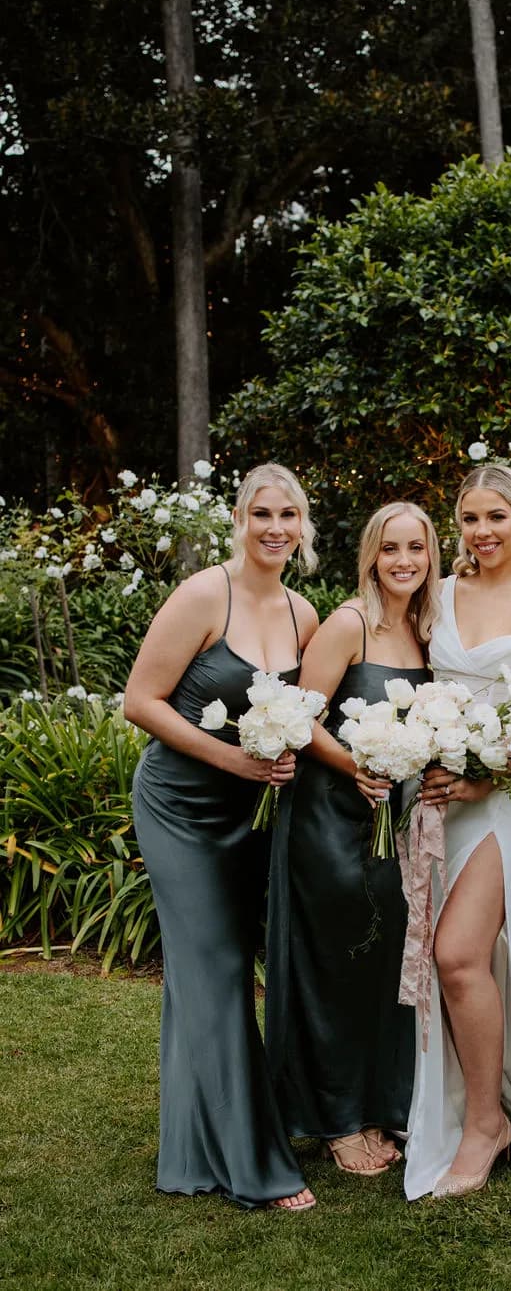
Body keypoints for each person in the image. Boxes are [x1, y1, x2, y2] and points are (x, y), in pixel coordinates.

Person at [125, 462, 319, 1211]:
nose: (275, 528)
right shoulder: (207, 593)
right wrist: (236, 759)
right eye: (262, 513)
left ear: (303, 526)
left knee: (224, 967)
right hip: (181, 804)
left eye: (288, 515)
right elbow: (140, 700)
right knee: (213, 966)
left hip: (255, 814)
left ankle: (194, 1144)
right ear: (239, 519)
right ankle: (252, 1166)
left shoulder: (305, 614)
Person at [402, 464, 511, 1200]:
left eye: (497, 517)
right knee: (462, 959)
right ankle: (477, 1105)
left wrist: (484, 774)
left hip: (508, 794)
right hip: (442, 791)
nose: (483, 532)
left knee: (458, 953)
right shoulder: (438, 593)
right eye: (470, 518)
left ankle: (485, 1127)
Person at [265, 502, 439, 1176]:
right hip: (330, 819)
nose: (403, 561)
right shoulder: (348, 624)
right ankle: (336, 1122)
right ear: (371, 555)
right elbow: (302, 719)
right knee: (335, 967)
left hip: (393, 829)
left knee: (382, 966)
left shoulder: (425, 631)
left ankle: (378, 1107)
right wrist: (354, 766)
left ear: (430, 557)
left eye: (416, 549)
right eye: (391, 548)